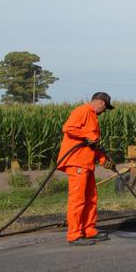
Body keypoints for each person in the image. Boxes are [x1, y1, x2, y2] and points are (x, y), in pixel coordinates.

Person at [58, 91, 115, 245]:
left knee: (91, 199)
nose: (104, 112)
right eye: (105, 108)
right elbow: (68, 128)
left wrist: (104, 160)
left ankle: (89, 230)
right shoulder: (82, 111)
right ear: (101, 103)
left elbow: (93, 144)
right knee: (77, 200)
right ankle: (74, 235)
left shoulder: (93, 117)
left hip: (87, 164)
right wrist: (88, 135)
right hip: (77, 162)